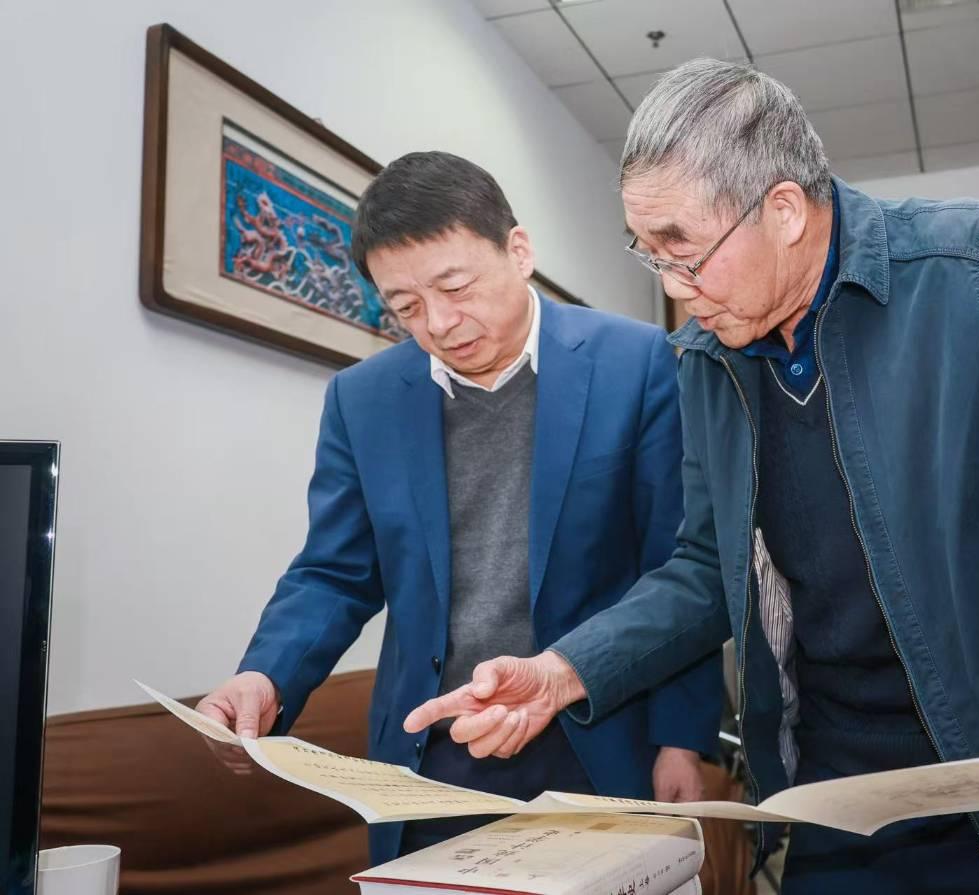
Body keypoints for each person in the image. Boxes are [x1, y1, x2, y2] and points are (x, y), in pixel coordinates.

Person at [403, 61, 979, 894]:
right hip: (838, 799)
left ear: (785, 210)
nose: (673, 289)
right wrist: (563, 669)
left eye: (685, 252)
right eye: (650, 254)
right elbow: (704, 569)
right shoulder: (709, 358)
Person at [196, 151, 722, 864]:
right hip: (432, 756)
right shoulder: (362, 399)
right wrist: (266, 674)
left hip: (596, 738)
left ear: (518, 251)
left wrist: (681, 738)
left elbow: (680, 566)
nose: (440, 323)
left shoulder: (637, 362)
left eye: (455, 286)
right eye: (406, 307)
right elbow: (335, 573)